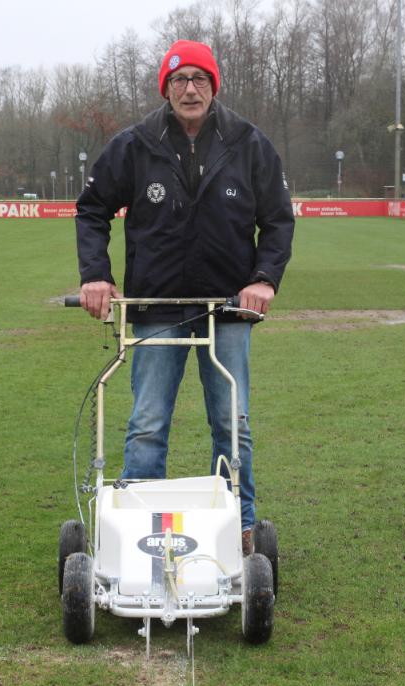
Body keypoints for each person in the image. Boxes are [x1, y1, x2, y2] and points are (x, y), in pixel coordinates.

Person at [75, 39, 294, 555]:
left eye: (199, 78)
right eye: (179, 79)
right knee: (147, 424)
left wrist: (264, 278)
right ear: (165, 87)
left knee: (231, 424)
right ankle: (133, 534)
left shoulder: (248, 143)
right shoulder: (135, 144)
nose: (189, 88)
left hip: (229, 309)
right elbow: (92, 209)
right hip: (157, 309)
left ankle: (241, 531)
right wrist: (96, 275)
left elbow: (278, 219)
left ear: (213, 85)